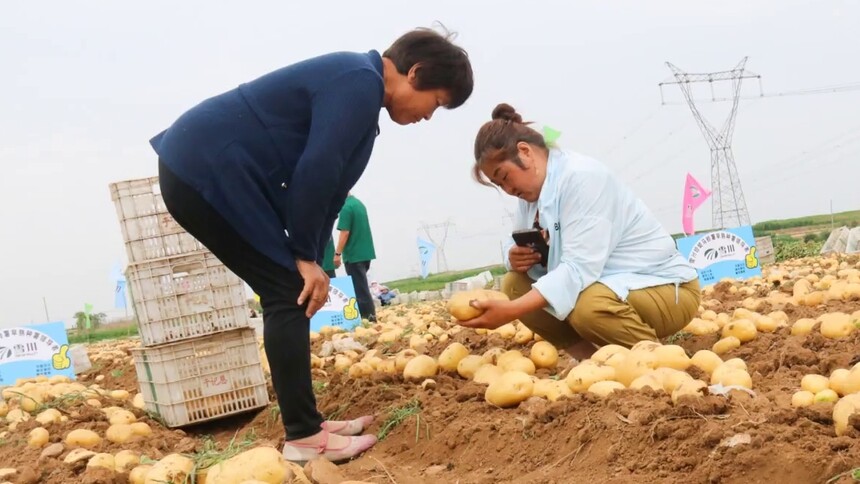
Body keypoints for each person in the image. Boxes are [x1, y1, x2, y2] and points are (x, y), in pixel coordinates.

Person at [151, 28, 473, 464]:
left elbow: (331, 192)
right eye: (436, 103)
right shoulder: (358, 80)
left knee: (291, 287)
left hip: (212, 171)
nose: (429, 117)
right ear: (415, 73)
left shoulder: (361, 92)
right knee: (287, 290)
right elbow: (316, 169)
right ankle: (303, 436)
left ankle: (309, 425)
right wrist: (303, 257)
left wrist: (316, 261)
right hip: (204, 168)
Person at [459, 103, 700, 362]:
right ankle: (589, 361)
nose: (507, 189)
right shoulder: (531, 196)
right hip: (607, 287)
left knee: (588, 306)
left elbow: (578, 268)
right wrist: (513, 256)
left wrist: (511, 311)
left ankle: (660, 361)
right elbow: (516, 239)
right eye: (499, 184)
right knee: (514, 284)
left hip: (665, 288)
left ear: (525, 152)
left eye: (505, 176)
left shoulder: (582, 178)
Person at [334, 193, 378, 322]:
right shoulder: (359, 204)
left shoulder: (346, 208)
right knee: (363, 287)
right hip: (365, 253)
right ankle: (370, 316)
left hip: (354, 255)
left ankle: (368, 318)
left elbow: (345, 232)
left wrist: (337, 254)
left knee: (360, 290)